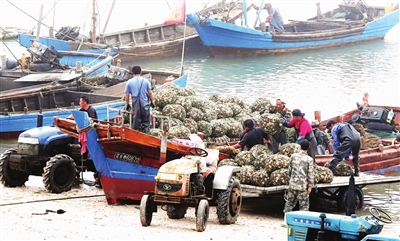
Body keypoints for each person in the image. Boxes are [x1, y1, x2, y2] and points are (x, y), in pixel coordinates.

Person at [283, 139, 314, 214]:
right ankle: (302, 222)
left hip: (293, 184)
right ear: (308, 147)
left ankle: (286, 219)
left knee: (289, 203)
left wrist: (291, 179)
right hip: (302, 186)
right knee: (304, 206)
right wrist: (310, 186)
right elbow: (310, 173)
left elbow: (289, 170)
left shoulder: (293, 156)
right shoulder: (309, 159)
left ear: (300, 147)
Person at [124, 66, 154, 134]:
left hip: (135, 104)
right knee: (146, 122)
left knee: (136, 122)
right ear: (140, 72)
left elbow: (127, 95)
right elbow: (150, 93)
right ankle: (147, 136)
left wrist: (127, 104)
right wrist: (152, 102)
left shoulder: (129, 82)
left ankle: (135, 136)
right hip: (145, 104)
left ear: (132, 72)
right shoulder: (145, 81)